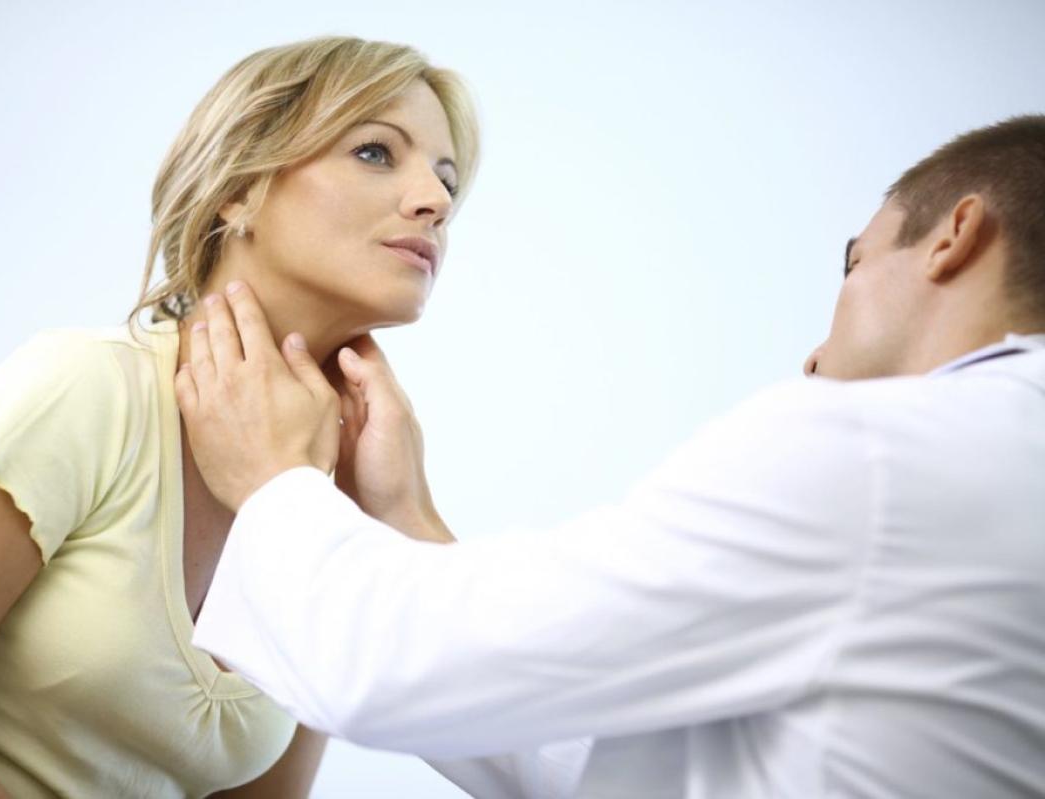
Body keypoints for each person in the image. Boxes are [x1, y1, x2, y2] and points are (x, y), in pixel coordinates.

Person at [178, 115, 1045, 798]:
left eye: (853, 267)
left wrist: (277, 484)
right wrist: (403, 520)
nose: (815, 355)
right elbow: (626, 765)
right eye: (375, 152)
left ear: (954, 235)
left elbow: (399, 667)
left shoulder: (879, 458)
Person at [0, 35, 478, 798]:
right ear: (237, 188)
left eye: (447, 178)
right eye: (377, 152)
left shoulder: (330, 502)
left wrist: (399, 514)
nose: (436, 201)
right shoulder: (87, 387)